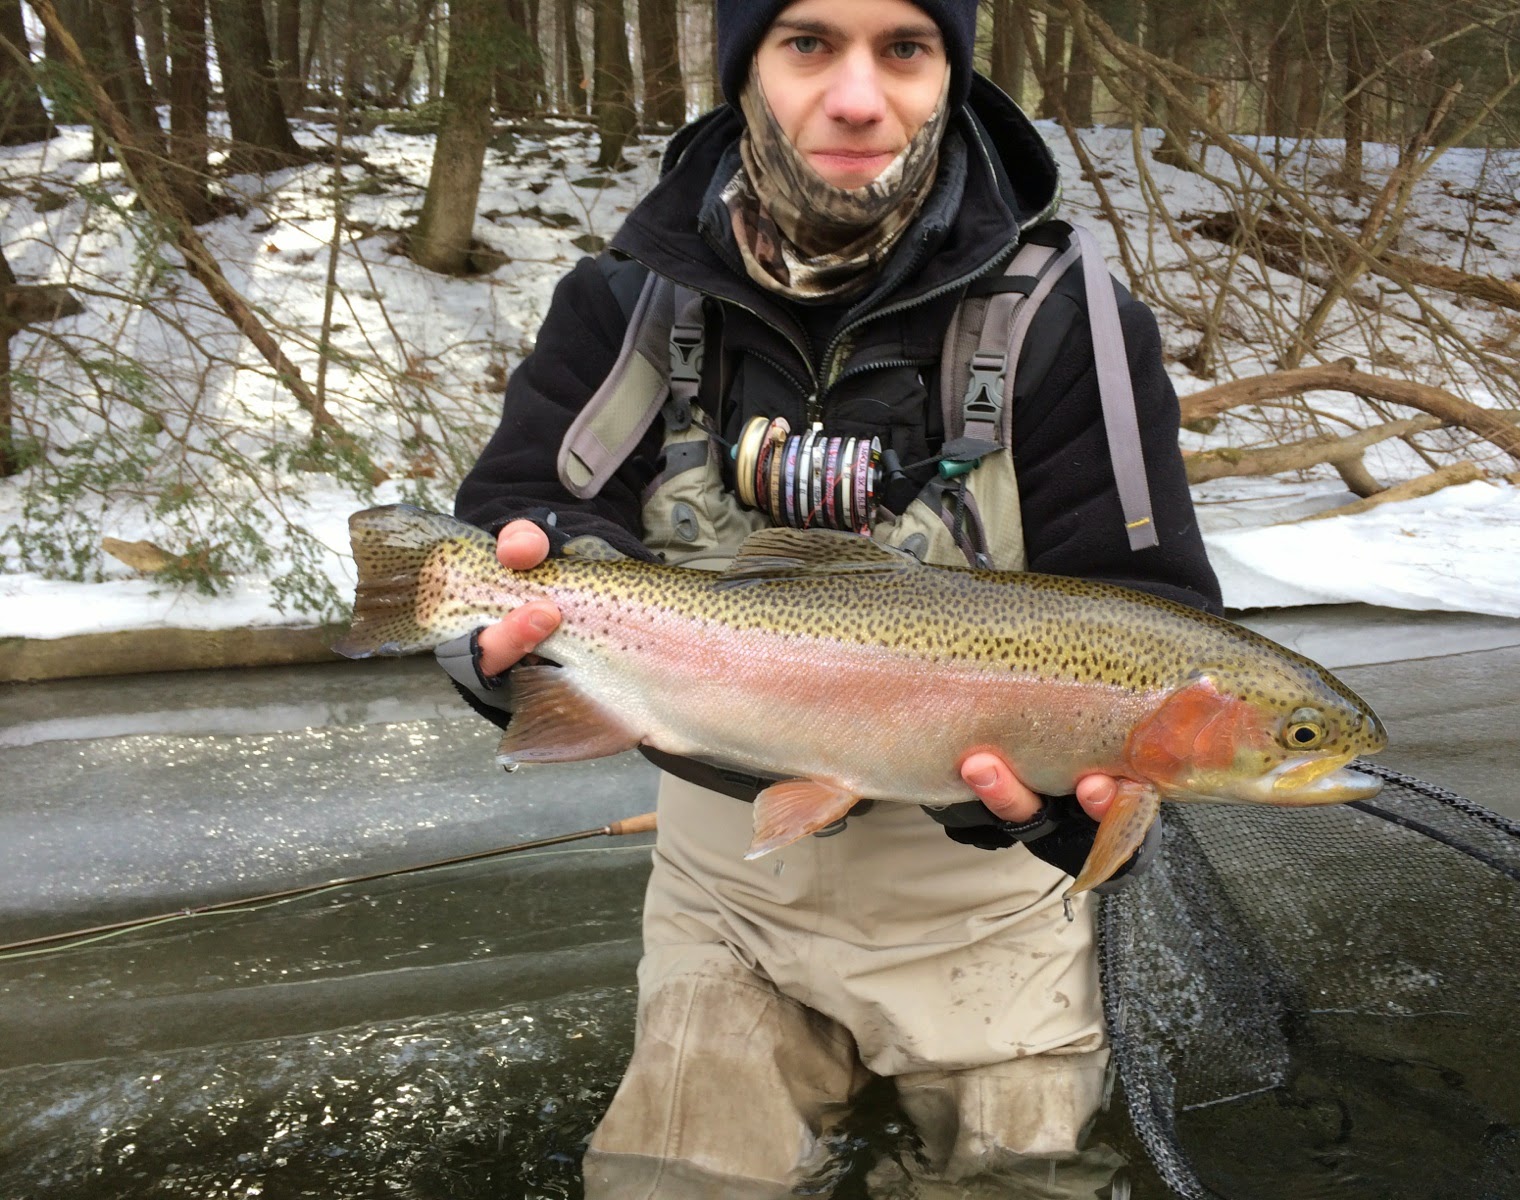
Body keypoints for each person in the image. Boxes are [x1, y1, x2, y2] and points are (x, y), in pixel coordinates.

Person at [437, 1, 1222, 1194]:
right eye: (808, 44)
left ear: (948, 73)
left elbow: (1143, 615)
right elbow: (514, 526)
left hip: (985, 908)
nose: (857, 97)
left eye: (904, 49)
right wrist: (509, 644)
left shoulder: (1071, 322)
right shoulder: (626, 302)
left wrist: (1056, 814)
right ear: (745, 66)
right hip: (722, 889)